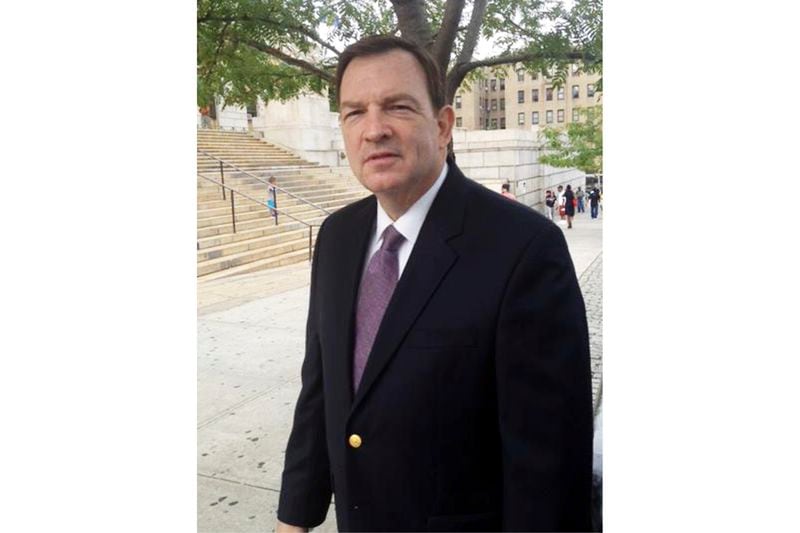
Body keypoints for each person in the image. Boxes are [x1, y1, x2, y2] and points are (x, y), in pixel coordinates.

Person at [276, 35, 592, 533]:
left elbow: (548, 465)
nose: (373, 130)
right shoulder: (337, 237)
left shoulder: (524, 250)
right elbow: (321, 392)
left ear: (443, 125)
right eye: (354, 112)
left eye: (397, 107)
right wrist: (294, 517)